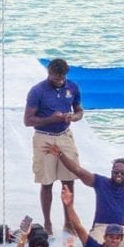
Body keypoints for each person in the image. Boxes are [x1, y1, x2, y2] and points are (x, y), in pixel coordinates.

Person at [23, 56, 83, 229]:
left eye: (60, 78)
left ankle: (68, 221)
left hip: (64, 135)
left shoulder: (72, 87)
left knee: (69, 180)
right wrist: (50, 118)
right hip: (44, 136)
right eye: (54, 77)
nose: (57, 81)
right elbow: (28, 120)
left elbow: (79, 110)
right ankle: (47, 222)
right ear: (49, 73)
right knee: (47, 181)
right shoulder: (37, 91)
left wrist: (74, 116)